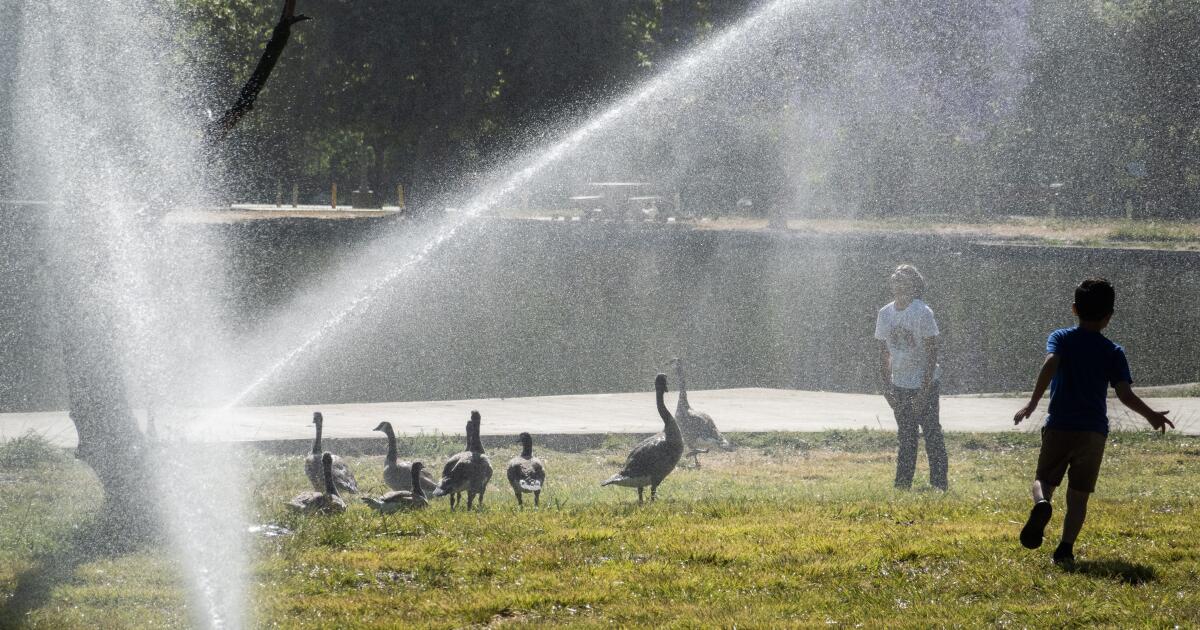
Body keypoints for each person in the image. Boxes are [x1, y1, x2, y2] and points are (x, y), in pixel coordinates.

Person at [1014, 278, 1173, 565]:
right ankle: (1065, 550)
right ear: (1108, 317)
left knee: (1043, 480)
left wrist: (1032, 403)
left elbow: (1050, 364)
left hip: (1060, 424)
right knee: (1079, 496)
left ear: (1074, 309)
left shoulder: (1061, 338)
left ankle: (1042, 504)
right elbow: (1124, 394)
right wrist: (1150, 415)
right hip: (1093, 433)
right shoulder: (1113, 351)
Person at [875, 264, 947, 491]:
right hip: (900, 385)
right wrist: (887, 390)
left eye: (903, 278)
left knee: (931, 434)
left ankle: (938, 484)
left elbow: (932, 353)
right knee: (906, 437)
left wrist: (924, 391)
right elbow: (883, 353)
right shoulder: (885, 314)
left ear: (914, 285)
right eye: (895, 277)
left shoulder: (922, 312)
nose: (898, 281)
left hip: (924, 383)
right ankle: (902, 485)